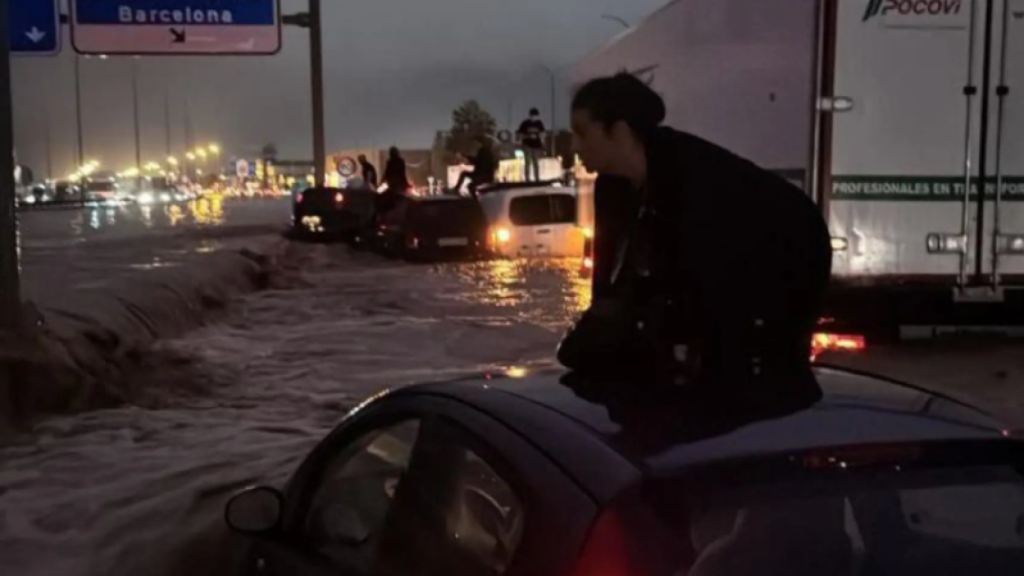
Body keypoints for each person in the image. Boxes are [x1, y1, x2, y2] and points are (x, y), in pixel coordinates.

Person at [558, 73, 832, 401]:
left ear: (618, 130)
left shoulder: (695, 180)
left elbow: (695, 293)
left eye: (581, 133)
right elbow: (609, 288)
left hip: (787, 265)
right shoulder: (612, 187)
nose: (574, 146)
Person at [517, 108, 546, 182]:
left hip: (536, 146)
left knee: (536, 163)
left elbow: (543, 133)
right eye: (532, 116)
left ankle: (537, 179)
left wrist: (541, 140)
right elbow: (519, 134)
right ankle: (527, 179)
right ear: (530, 116)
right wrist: (528, 136)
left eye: (535, 116)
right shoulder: (525, 123)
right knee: (527, 163)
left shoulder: (539, 123)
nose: (534, 118)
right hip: (527, 145)